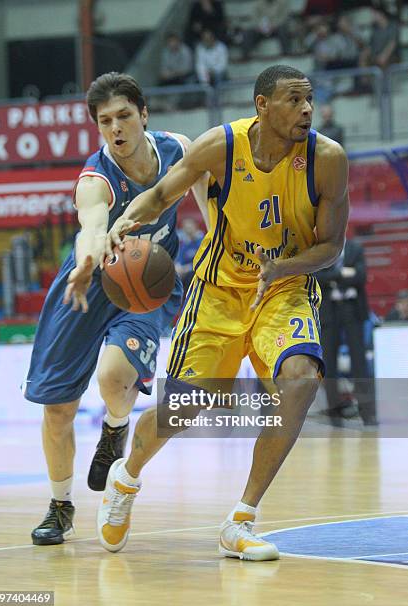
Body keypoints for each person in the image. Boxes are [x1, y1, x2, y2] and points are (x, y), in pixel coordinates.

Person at [71, 65, 349, 560]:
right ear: (262, 106)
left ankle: (241, 519)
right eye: (293, 100)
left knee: (301, 378)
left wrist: (283, 265)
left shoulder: (327, 159)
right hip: (217, 291)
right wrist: (123, 224)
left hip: (284, 287)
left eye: (309, 100)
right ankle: (126, 479)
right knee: (184, 406)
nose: (306, 109)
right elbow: (159, 195)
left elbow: (331, 246)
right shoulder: (220, 145)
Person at [23, 72, 208, 546]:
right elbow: (91, 223)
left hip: (144, 286)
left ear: (144, 115)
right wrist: (87, 261)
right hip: (88, 281)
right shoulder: (95, 178)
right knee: (58, 408)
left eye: (124, 115)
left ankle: (116, 427)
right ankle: (60, 506)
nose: (116, 128)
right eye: (105, 121)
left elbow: (206, 183)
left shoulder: (178, 149)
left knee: (113, 377)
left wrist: (215, 239)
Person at [316, 238, 377, 426]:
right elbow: (318, 277)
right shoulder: (320, 249)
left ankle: (368, 414)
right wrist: (343, 273)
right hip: (329, 312)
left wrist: (333, 276)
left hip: (352, 310)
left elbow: (361, 276)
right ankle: (335, 414)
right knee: (329, 366)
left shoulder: (355, 248)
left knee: (360, 363)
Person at [175, 217, 205, 292]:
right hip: (184, 272)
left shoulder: (203, 241)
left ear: (195, 226)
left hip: (197, 272)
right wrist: (178, 266)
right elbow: (180, 259)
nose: (188, 230)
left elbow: (203, 262)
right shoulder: (185, 243)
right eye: (185, 228)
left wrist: (187, 268)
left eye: (189, 227)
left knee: (190, 276)